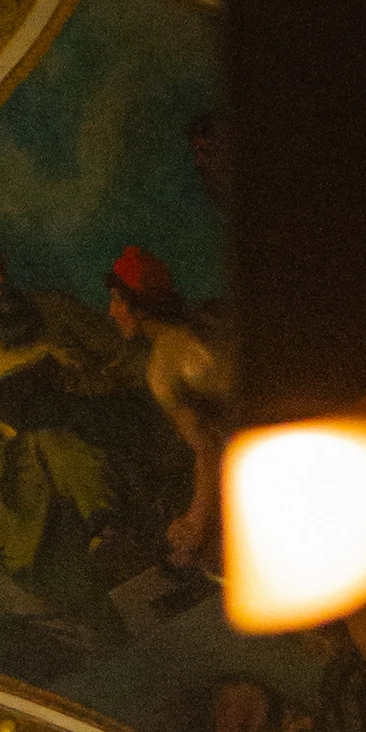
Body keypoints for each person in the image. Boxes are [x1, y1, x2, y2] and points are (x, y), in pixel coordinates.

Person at [0, 225, 154, 645]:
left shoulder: (51, 308)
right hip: (29, 455)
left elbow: (126, 355)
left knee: (53, 441)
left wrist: (84, 378)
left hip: (99, 424)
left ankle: (108, 524)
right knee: (21, 540)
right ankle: (103, 626)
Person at [104, 245, 234, 575]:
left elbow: (207, 450)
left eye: (117, 300)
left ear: (139, 307)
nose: (110, 311)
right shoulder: (213, 321)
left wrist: (195, 522)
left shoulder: (163, 366)